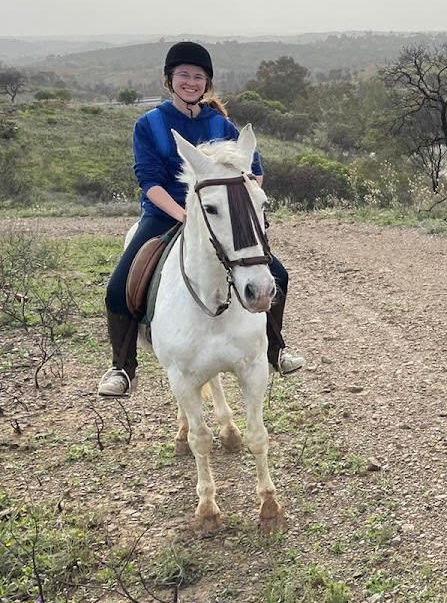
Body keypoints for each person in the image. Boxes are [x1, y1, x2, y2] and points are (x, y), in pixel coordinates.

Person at [96, 41, 305, 396]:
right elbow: (149, 181)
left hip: (220, 214)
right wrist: (184, 214)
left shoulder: (220, 123)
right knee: (119, 287)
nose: (190, 82)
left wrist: (241, 203)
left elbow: (253, 172)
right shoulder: (150, 124)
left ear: (207, 82)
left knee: (277, 273)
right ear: (169, 80)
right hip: (166, 213)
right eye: (183, 75)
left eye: (198, 76)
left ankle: (276, 348)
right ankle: (123, 367)